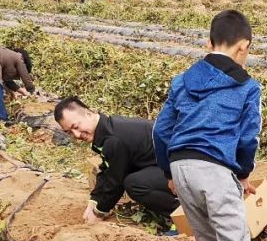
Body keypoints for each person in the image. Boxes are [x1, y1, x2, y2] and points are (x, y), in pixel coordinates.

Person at [153, 9, 267, 241]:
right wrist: (242, 172)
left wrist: (168, 172)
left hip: (181, 166)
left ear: (209, 44)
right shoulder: (247, 87)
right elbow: (248, 137)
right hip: (214, 168)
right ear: (243, 47)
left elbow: (161, 130)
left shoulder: (182, 80)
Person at [53, 97, 179, 230]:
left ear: (88, 113)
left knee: (134, 184)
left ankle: (184, 215)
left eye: (76, 127)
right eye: (69, 132)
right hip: (163, 166)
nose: (76, 135)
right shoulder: (108, 128)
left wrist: (99, 212)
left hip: (179, 169)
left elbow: (115, 182)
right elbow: (108, 168)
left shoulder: (113, 139)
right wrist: (94, 199)